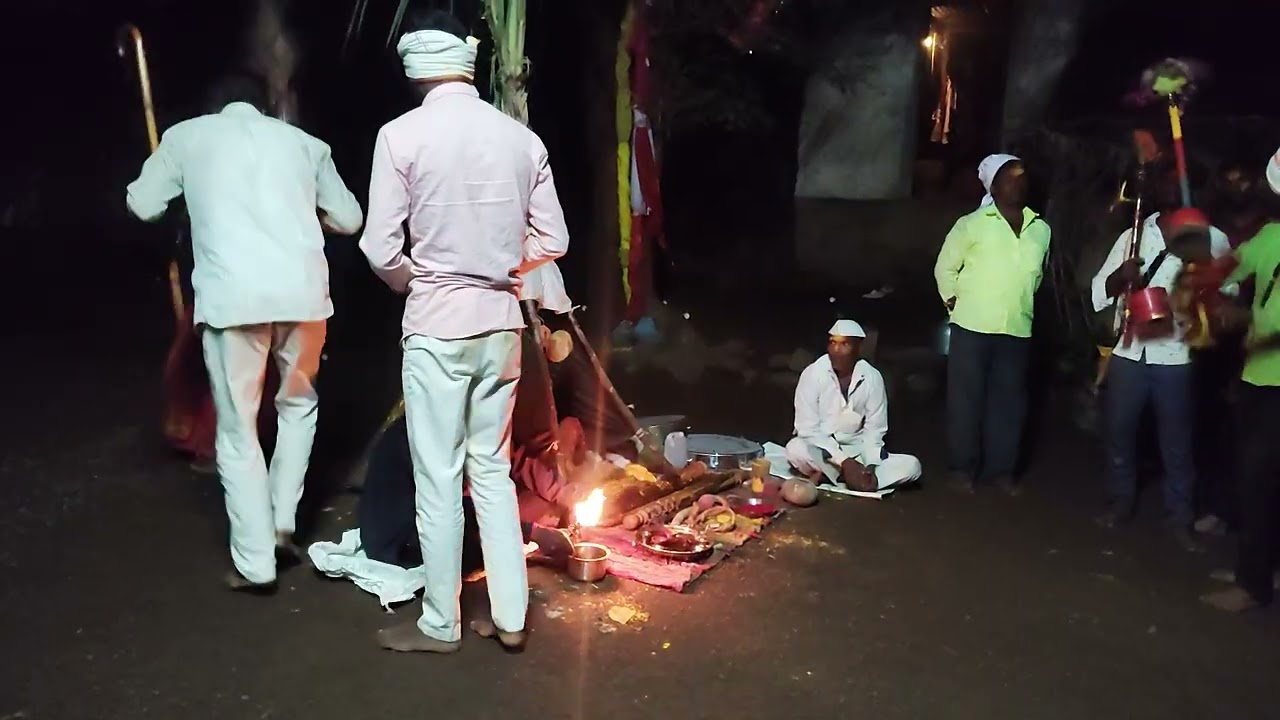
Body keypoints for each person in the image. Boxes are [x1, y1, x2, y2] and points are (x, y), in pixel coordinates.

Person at [358, 10, 570, 653]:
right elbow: (554, 238)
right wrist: (503, 268)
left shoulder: (399, 136)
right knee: (493, 473)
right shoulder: (521, 140)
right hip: (501, 328)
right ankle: (510, 618)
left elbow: (378, 247)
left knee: (439, 477)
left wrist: (416, 280)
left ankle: (440, 622)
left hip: (437, 328)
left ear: (415, 68)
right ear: (467, 64)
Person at [125, 73, 364, 591]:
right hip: (304, 296)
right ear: (268, 106)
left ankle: (255, 563)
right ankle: (282, 525)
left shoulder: (186, 137)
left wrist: (187, 198)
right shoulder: (305, 143)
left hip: (233, 299)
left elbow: (143, 205)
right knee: (298, 406)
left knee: (238, 431)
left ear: (214, 106)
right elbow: (349, 218)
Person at [1089, 191, 1231, 552]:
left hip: (1175, 355)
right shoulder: (1135, 235)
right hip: (1129, 350)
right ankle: (1120, 501)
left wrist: (1203, 287)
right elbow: (1098, 292)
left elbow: (1228, 294)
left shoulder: (1211, 239)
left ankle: (1180, 517)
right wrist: (1121, 277)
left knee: (1177, 442)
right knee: (1119, 431)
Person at [934, 154, 1051, 495]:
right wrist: (954, 303)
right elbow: (944, 268)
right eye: (1010, 178)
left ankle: (1002, 471)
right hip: (972, 326)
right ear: (994, 188)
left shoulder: (1041, 230)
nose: (1018, 183)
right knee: (966, 401)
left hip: (1016, 327)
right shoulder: (971, 224)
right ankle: (962, 469)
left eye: (1022, 177)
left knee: (1010, 404)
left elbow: (1038, 277)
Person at [1202, 149, 1280, 611]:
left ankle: (1253, 584)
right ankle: (1261, 568)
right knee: (1259, 480)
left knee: (1258, 480)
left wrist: (1240, 312)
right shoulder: (1270, 237)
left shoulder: (1271, 235)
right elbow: (1225, 269)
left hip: (1272, 383)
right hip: (1259, 377)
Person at [784, 320, 922, 491]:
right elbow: (807, 429)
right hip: (824, 451)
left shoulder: (872, 377)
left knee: (912, 466)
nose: (836, 349)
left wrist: (870, 467)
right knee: (795, 449)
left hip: (858, 451)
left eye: (844, 344)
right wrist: (844, 462)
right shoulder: (813, 374)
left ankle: (854, 478)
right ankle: (847, 475)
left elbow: (875, 430)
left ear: (858, 348)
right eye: (832, 343)